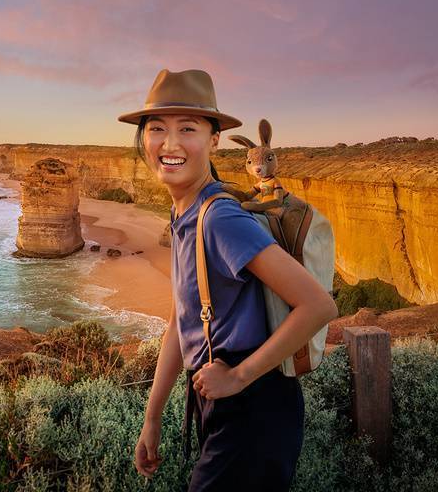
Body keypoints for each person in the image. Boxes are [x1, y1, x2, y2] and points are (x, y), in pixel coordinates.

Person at [120, 69, 338, 491]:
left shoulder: (219, 218)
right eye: (157, 129)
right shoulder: (185, 212)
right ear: (143, 139)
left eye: (188, 129)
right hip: (220, 401)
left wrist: (238, 378)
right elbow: (180, 320)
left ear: (214, 140)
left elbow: (318, 306)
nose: (170, 143)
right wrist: (152, 417)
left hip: (254, 405)